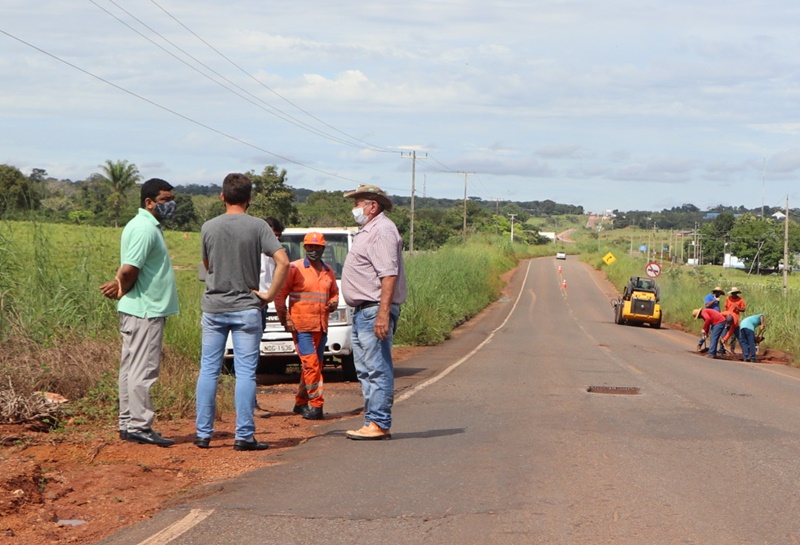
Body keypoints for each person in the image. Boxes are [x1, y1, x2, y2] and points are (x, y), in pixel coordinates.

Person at [194, 173, 289, 451]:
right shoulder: (258, 226)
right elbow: (283, 262)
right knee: (245, 373)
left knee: (209, 370)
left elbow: (207, 264)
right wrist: (269, 295)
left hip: (214, 307)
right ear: (249, 199)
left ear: (222, 196)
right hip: (246, 307)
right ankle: (244, 435)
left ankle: (203, 434)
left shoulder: (208, 227)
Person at [99, 178, 179, 447]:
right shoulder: (145, 228)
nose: (170, 205)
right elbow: (129, 269)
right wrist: (122, 286)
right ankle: (139, 425)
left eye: (171, 199)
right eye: (165, 200)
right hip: (146, 309)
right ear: (149, 202)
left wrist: (122, 286)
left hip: (140, 308)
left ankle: (127, 422)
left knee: (130, 368)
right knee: (143, 369)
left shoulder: (143, 225)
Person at [341, 184, 406, 441]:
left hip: (373, 309)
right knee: (366, 370)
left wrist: (383, 314)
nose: (354, 209)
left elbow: (388, 274)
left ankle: (379, 422)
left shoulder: (382, 231)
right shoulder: (368, 231)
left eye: (357, 203)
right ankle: (371, 421)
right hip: (362, 311)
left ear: (373, 206)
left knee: (377, 368)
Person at [270, 232, 338, 420]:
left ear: (323, 249)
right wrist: (285, 318)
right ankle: (316, 405)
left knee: (314, 366)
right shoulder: (295, 268)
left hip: (321, 327)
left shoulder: (328, 271)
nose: (313, 251)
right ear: (304, 247)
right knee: (311, 365)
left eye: (317, 247)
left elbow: (334, 293)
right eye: (310, 247)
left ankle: (300, 403)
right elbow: (279, 296)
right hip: (301, 327)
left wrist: (333, 303)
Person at [723, 287, 746, 352]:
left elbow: (743, 309)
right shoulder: (728, 298)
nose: (734, 294)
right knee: (724, 334)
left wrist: (737, 308)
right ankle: (722, 350)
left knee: (736, 335)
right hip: (728, 318)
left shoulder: (740, 300)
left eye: (735, 293)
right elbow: (726, 308)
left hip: (735, 319)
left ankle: (742, 350)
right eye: (733, 293)